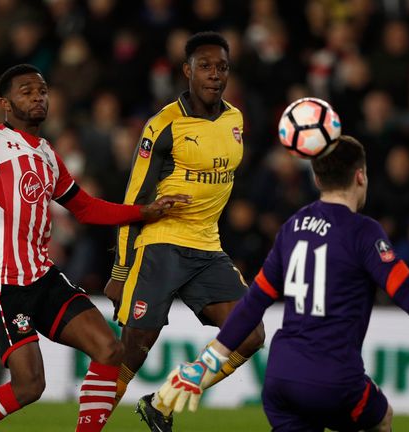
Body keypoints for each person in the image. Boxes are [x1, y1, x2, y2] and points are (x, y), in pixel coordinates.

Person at [156, 136, 409, 432]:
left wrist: (205, 362)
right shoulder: (364, 232)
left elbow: (253, 302)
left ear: (317, 179)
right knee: (382, 419)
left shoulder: (293, 226)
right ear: (361, 176)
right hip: (334, 381)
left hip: (281, 379)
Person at [0, 63, 190, 432]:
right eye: (27, 91)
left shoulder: (46, 153)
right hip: (2, 281)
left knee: (110, 350)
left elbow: (86, 208)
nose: (38, 97)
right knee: (30, 386)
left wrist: (144, 211)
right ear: (5, 103)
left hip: (42, 275)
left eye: (42, 91)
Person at [102, 31, 265, 431]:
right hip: (160, 245)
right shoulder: (163, 125)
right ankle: (88, 424)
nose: (215, 75)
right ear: (187, 71)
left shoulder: (235, 120)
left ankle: (164, 401)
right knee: (133, 352)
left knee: (250, 335)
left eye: (222, 67)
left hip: (208, 247)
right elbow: (134, 199)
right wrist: (121, 271)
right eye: (205, 66)